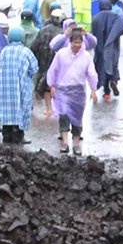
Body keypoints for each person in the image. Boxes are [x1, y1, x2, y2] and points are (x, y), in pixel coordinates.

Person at [47, 26, 96, 155]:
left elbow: (91, 73)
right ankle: (64, 142)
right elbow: (53, 70)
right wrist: (52, 85)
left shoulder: (86, 57)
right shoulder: (61, 54)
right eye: (75, 42)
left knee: (77, 118)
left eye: (80, 42)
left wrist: (93, 88)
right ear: (70, 42)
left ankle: (76, 143)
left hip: (78, 91)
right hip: (62, 89)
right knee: (64, 116)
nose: (77, 45)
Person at [0, 37, 38, 146]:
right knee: (21, 109)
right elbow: (34, 68)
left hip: (5, 86)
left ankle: (6, 136)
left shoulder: (4, 51)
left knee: (7, 110)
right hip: (21, 86)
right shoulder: (26, 51)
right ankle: (18, 136)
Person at [91, 0, 123, 101]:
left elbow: (93, 34)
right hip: (113, 47)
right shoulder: (116, 17)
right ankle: (114, 80)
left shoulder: (96, 18)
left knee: (102, 67)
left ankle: (106, 90)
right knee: (113, 65)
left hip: (101, 48)